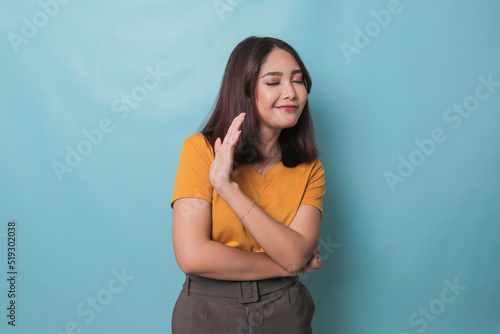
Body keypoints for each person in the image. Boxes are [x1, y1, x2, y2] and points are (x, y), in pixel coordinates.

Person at [170, 36, 325, 333]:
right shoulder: (200, 150)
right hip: (207, 312)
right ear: (245, 91)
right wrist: (286, 266)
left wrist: (228, 188)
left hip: (285, 308)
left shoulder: (310, 169)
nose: (291, 92)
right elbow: (192, 256)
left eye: (298, 80)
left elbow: (296, 255)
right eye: (273, 82)